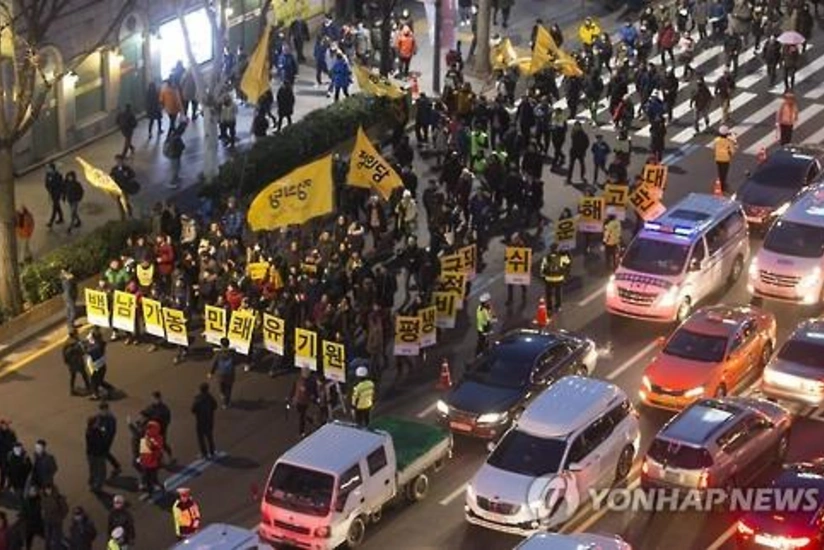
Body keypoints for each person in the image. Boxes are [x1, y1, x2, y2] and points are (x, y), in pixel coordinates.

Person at [85, 328, 115, 400]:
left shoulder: (97, 346)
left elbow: (89, 351)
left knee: (95, 381)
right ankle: (105, 390)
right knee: (98, 381)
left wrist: (85, 347)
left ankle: (100, 393)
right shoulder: (100, 343)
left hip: (98, 367)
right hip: (100, 366)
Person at [540, 243, 572, 312]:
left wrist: (543, 277)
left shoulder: (546, 257)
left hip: (549, 279)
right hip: (559, 278)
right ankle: (558, 306)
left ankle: (549, 308)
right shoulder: (561, 257)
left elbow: (542, 268)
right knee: (558, 293)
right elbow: (569, 262)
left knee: (549, 294)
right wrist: (567, 253)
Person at [143, 391, 173, 460]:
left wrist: (163, 426)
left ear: (159, 398)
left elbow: (167, 419)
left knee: (162, 444)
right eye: (153, 398)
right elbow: (145, 414)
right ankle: (158, 458)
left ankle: (170, 457)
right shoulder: (151, 407)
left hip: (161, 429)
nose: (154, 400)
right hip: (153, 429)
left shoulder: (164, 408)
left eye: (155, 398)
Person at [191, 383, 217, 458]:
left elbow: (193, 409)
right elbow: (215, 406)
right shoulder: (210, 397)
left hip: (200, 421)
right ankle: (212, 451)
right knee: (209, 437)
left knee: (201, 438)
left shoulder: (198, 399)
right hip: (209, 420)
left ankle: (204, 453)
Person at [138, 420, 164, 496]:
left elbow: (154, 449)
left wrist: (148, 440)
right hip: (147, 462)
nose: (147, 429)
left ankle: (150, 492)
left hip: (152, 463)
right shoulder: (147, 436)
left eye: (149, 428)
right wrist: (141, 457)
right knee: (147, 476)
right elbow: (143, 449)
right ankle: (151, 487)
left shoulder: (156, 438)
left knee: (150, 478)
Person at [96, 402, 122, 477]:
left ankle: (114, 467)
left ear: (107, 409)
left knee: (103, 454)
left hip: (107, 439)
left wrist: (102, 430)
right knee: (105, 453)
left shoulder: (111, 419)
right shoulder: (99, 416)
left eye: (103, 410)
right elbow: (97, 425)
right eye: (101, 410)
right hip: (100, 438)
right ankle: (117, 466)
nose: (102, 412)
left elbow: (111, 431)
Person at [290, 368, 318, 437]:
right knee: (302, 414)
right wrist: (291, 397)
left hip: (305, 401)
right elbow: (294, 389)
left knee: (301, 416)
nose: (305, 374)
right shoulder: (298, 380)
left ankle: (301, 431)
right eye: (304, 372)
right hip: (299, 401)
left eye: (306, 373)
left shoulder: (311, 381)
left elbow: (314, 390)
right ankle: (309, 420)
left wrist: (315, 397)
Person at [209, 338, 236, 409]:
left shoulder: (218, 353)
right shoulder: (232, 353)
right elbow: (236, 362)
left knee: (222, 387)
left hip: (221, 374)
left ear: (221, 344)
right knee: (229, 388)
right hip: (230, 374)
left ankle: (223, 395)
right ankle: (226, 403)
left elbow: (214, 363)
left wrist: (211, 372)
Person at [40, 484, 68, 550]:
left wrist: (60, 517)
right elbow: (43, 509)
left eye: (49, 489)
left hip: (56, 521)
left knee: (57, 538)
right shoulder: (43, 498)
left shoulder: (58, 498)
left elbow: (65, 509)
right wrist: (44, 516)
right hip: (48, 521)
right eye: (46, 489)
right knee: (48, 538)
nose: (48, 491)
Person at [85, 415, 108, 493]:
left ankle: (92, 484)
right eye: (97, 422)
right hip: (97, 455)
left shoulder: (89, 430)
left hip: (90, 454)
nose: (99, 423)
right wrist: (103, 433)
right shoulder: (95, 433)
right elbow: (99, 443)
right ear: (94, 423)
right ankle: (97, 487)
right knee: (101, 472)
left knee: (93, 470)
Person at [713, 125, 736, 193]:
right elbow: (732, 151)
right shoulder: (729, 141)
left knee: (720, 172)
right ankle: (723, 186)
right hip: (725, 159)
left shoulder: (716, 140)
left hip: (718, 158)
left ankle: (721, 183)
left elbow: (714, 148)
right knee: (724, 173)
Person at [164, 121, 186, 188]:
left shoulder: (174, 135)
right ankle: (172, 182)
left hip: (175, 154)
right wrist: (182, 147)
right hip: (174, 155)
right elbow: (180, 146)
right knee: (175, 168)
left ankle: (176, 178)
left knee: (177, 167)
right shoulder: (176, 138)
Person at [44, 163, 64, 228]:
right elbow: (46, 183)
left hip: (57, 193)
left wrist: (62, 193)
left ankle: (51, 221)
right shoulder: (48, 175)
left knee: (55, 206)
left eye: (49, 168)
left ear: (53, 169)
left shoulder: (58, 175)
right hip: (52, 193)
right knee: (57, 205)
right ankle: (61, 217)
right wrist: (49, 190)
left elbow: (61, 185)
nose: (48, 170)